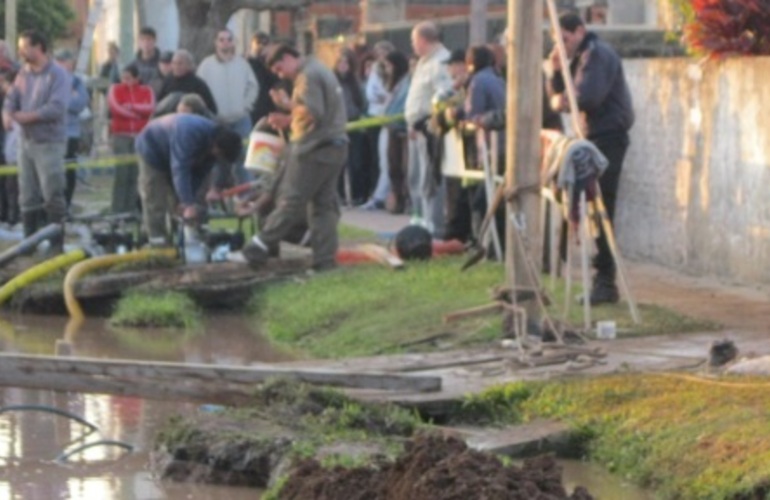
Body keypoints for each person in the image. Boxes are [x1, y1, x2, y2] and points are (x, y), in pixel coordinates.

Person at [546, 12, 635, 304]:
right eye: (557, 40)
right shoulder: (581, 57)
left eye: (566, 38)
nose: (562, 44)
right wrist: (556, 71)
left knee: (602, 208)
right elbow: (564, 97)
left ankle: (606, 282)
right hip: (592, 138)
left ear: (580, 31)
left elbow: (584, 98)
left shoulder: (597, 54)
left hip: (608, 139)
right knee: (590, 206)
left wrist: (558, 99)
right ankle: (593, 276)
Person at [239, 44, 348, 272]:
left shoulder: (307, 76)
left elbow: (312, 112)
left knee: (291, 199)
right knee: (322, 206)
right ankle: (325, 261)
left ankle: (259, 245)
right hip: (335, 146)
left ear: (289, 57)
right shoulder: (319, 68)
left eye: (280, 68)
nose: (281, 74)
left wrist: (287, 111)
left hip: (314, 148)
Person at [1, 30, 71, 252]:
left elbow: (56, 107)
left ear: (38, 47)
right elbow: (11, 98)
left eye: (24, 46)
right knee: (27, 194)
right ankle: (29, 243)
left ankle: (56, 242)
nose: (20, 51)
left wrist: (26, 117)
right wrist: (7, 115)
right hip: (26, 142)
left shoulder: (57, 75)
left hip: (49, 142)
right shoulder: (23, 73)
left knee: (52, 192)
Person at [134, 113, 242, 246]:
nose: (218, 158)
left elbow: (198, 175)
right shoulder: (189, 133)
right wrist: (188, 203)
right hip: (152, 148)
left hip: (173, 152)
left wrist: (186, 201)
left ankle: (181, 240)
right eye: (219, 155)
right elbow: (180, 169)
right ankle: (157, 241)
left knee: (180, 203)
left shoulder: (213, 148)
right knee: (154, 197)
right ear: (217, 146)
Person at [404, 21, 452, 236]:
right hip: (415, 128)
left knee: (428, 177)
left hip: (427, 129)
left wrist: (424, 123)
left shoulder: (441, 62)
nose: (413, 45)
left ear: (424, 40)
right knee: (415, 175)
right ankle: (419, 218)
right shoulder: (424, 61)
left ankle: (433, 224)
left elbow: (443, 96)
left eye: (414, 41)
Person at [108, 64, 155, 214]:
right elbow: (116, 108)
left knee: (136, 173)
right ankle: (117, 208)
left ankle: (131, 208)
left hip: (140, 135)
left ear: (137, 78)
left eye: (128, 78)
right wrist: (136, 113)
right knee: (122, 173)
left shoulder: (147, 91)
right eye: (123, 77)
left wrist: (130, 106)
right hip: (121, 135)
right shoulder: (115, 89)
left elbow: (150, 108)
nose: (125, 81)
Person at [196, 29, 258, 139]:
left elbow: (253, 86)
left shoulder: (242, 64)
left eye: (229, 39)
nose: (225, 43)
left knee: (243, 153)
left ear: (233, 42)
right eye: (221, 40)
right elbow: (199, 89)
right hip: (215, 120)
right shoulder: (206, 65)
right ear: (216, 42)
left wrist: (246, 106)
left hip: (241, 120)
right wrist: (208, 110)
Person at [360, 40, 395, 211]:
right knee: (375, 157)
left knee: (387, 159)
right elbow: (371, 92)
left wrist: (386, 96)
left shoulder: (394, 69)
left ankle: (385, 195)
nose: (382, 57)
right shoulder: (375, 69)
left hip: (389, 116)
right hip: (376, 114)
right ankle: (375, 193)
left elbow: (393, 91)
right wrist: (384, 96)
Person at [53, 48, 90, 209]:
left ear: (71, 63)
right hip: (52, 133)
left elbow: (80, 103)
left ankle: (67, 204)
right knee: (53, 171)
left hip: (71, 132)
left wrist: (61, 102)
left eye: (65, 61)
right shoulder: (49, 80)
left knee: (69, 170)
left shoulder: (76, 82)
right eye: (58, 61)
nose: (62, 64)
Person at [333, 49, 366, 206]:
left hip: (354, 124)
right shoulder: (331, 82)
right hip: (337, 126)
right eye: (340, 62)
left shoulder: (356, 83)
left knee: (356, 162)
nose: (343, 66)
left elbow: (362, 102)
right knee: (339, 164)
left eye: (346, 62)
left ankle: (356, 194)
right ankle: (339, 195)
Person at [381, 50, 411, 215]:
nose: (387, 70)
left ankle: (404, 199)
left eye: (388, 66)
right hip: (393, 127)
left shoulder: (406, 82)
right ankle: (397, 197)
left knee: (403, 166)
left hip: (402, 129)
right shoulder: (394, 84)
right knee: (393, 166)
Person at [157, 49, 217, 115]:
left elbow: (211, 110)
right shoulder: (168, 81)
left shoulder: (198, 84)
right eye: (174, 63)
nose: (176, 66)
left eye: (180, 63)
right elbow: (159, 104)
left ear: (189, 65)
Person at [0, 69, 20, 226]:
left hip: (14, 152)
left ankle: (14, 217)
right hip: (9, 150)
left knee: (13, 186)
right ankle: (8, 215)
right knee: (9, 185)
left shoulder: (16, 101)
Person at [247, 31, 279, 126]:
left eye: (264, 43)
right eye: (258, 43)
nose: (261, 46)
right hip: (253, 110)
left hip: (270, 109)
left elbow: (277, 81)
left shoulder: (273, 64)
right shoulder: (247, 64)